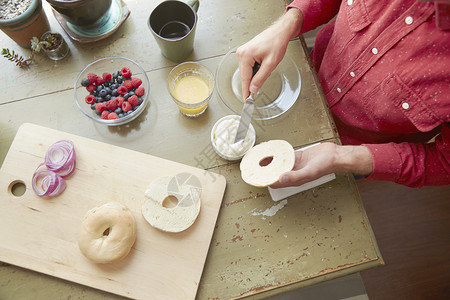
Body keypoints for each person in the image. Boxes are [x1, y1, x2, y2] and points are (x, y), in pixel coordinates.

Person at [237, 0, 450, 188]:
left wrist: (344, 158)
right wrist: (289, 22)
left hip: (346, 149)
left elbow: (445, 162)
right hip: (307, 79)